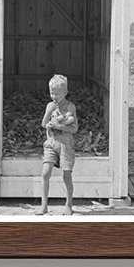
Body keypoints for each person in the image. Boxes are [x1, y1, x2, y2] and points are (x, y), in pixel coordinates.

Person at [37, 74, 78, 216]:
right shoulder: (50, 106)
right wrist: (49, 113)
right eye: (51, 93)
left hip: (66, 145)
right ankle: (44, 206)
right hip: (51, 143)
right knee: (45, 172)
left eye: (56, 94)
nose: (53, 96)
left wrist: (60, 126)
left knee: (66, 176)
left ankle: (69, 204)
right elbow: (43, 124)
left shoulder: (70, 107)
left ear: (65, 93)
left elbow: (74, 128)